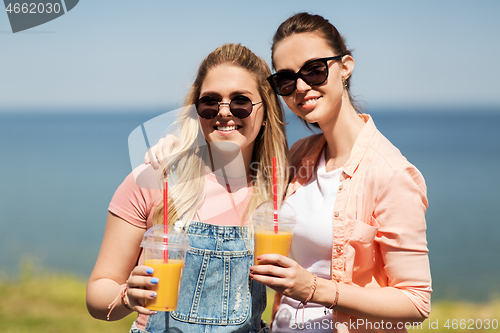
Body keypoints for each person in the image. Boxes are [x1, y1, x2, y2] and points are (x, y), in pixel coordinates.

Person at [146, 12, 432, 333]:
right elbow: (233, 152)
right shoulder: (297, 157)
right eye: (285, 78)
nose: (300, 86)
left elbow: (416, 302)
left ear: (346, 67)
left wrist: (313, 287)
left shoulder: (391, 174)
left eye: (314, 69)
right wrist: (182, 145)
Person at [86, 43, 289, 333]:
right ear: (197, 111)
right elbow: (97, 292)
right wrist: (127, 296)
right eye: (210, 102)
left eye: (240, 101)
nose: (224, 112)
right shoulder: (156, 180)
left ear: (266, 111)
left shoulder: (282, 192)